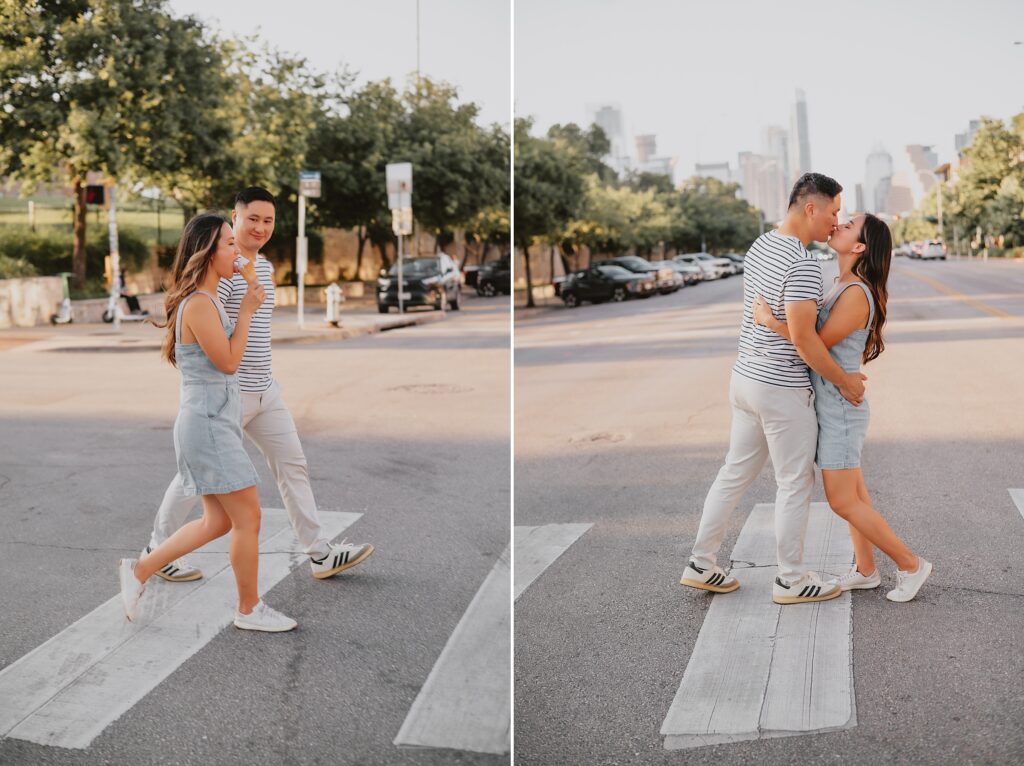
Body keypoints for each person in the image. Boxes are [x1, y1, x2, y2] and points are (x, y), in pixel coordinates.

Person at [141, 188, 374, 583]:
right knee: (191, 477)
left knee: (292, 464)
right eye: (253, 219)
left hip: (265, 389)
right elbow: (209, 333)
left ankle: (319, 554)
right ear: (235, 217)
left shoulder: (261, 267)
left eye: (268, 221)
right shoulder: (223, 273)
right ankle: (156, 550)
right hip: (230, 394)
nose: (261, 228)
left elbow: (258, 329)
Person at [679, 172, 866, 605]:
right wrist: (845, 383)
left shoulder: (762, 245)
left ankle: (701, 562)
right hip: (780, 388)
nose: (834, 223)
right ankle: (791, 579)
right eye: (833, 212)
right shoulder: (800, 263)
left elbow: (774, 320)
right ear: (811, 208)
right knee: (794, 484)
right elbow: (804, 339)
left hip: (744, 378)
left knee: (733, 473)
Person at [119, 213, 297, 631]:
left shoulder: (210, 298)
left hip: (213, 423)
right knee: (249, 517)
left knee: (218, 521)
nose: (238, 252)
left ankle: (139, 571)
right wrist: (250, 309)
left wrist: (248, 295)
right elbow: (230, 362)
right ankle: (249, 609)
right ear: (207, 252)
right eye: (230, 244)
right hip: (208, 427)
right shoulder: (199, 304)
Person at [752, 213, 931, 602]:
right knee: (857, 494)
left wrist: (769, 321)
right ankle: (866, 570)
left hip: (841, 410)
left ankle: (911, 564)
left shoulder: (855, 293)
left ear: (860, 247)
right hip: (834, 404)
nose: (839, 224)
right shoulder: (842, 284)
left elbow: (811, 342)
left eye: (848, 225)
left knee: (842, 500)